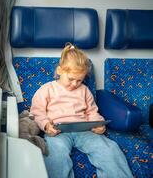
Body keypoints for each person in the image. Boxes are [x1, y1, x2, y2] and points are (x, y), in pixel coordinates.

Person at [30, 43, 133, 178]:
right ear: (60, 70)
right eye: (71, 79)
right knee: (55, 155)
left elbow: (92, 112)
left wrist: (98, 125)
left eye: (79, 80)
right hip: (57, 132)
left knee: (109, 149)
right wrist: (46, 125)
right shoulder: (47, 89)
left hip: (84, 131)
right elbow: (37, 112)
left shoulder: (84, 90)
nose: (74, 84)